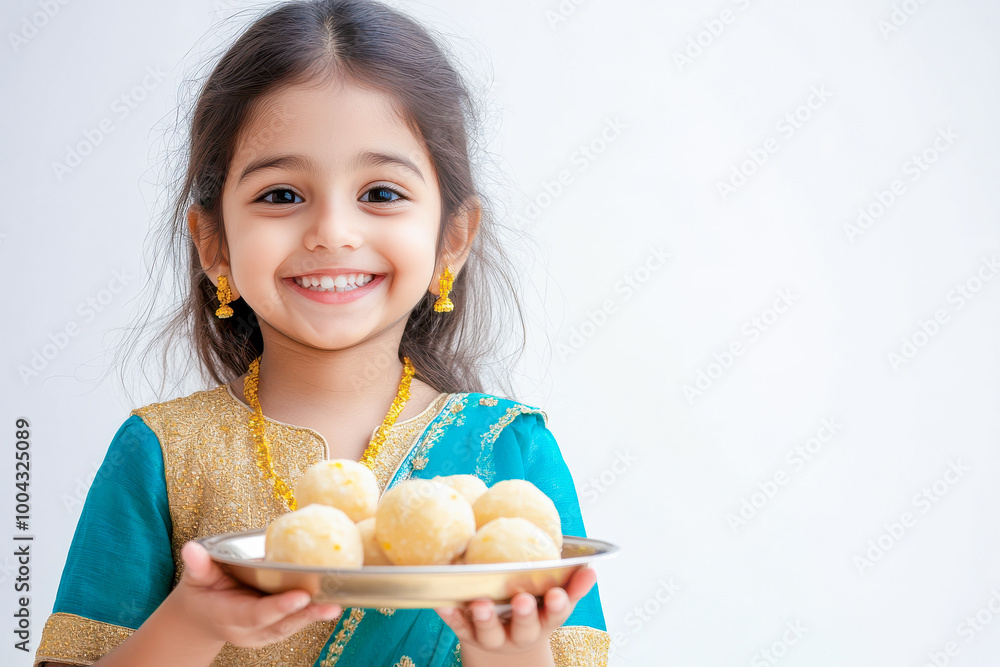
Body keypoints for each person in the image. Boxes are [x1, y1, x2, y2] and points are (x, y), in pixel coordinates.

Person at [34, 1, 609, 665]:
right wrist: (194, 619)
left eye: (382, 194)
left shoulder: (508, 452)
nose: (333, 231)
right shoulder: (163, 454)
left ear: (452, 239)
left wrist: (512, 645)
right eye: (282, 194)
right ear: (213, 243)